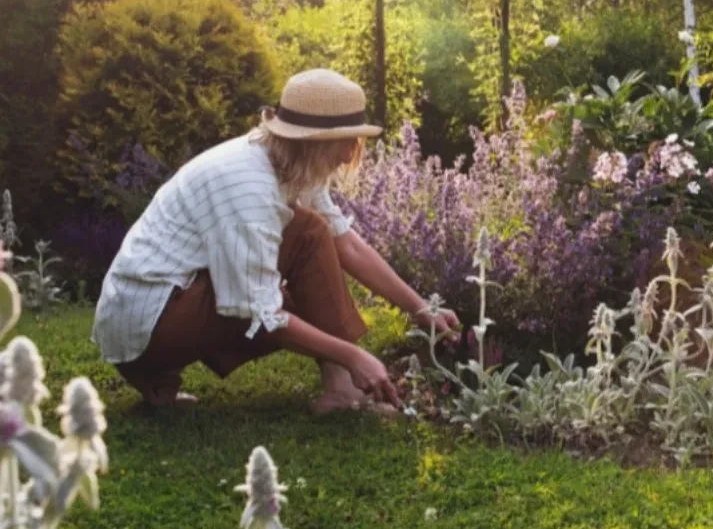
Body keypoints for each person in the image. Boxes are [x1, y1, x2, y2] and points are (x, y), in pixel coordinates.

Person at [91, 69, 460, 414]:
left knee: (310, 232)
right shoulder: (248, 186)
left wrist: (420, 308)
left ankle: (336, 384)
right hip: (148, 325)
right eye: (344, 142)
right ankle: (340, 381)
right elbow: (261, 312)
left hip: (159, 310)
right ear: (312, 142)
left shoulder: (289, 161)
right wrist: (351, 356)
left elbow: (346, 244)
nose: (350, 154)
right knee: (295, 266)